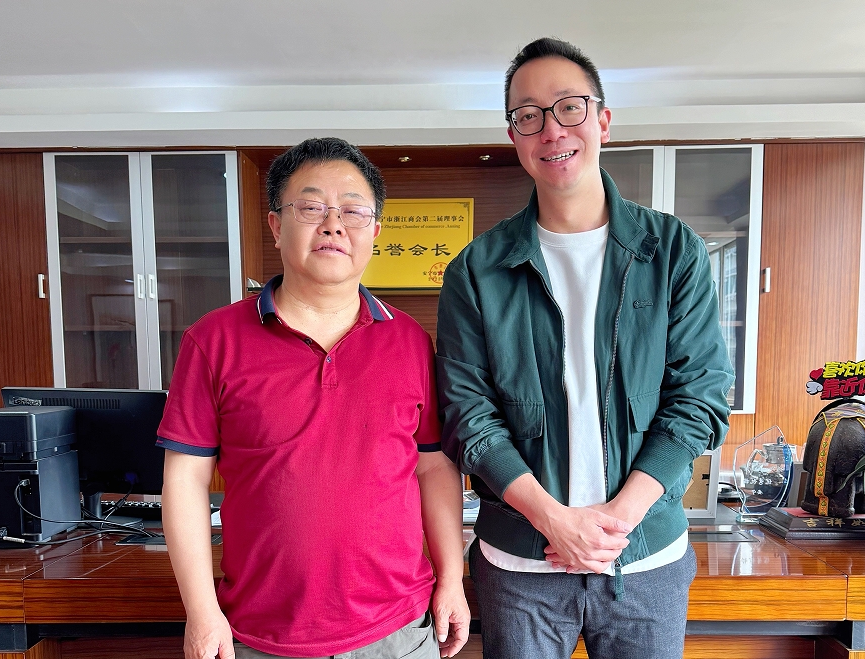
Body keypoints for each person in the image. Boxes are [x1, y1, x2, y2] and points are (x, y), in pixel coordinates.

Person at [436, 38, 734, 659]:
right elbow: (469, 416)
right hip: (520, 565)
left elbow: (698, 399)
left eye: (569, 107)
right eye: (529, 116)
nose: (552, 130)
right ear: (514, 136)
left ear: (602, 120)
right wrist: (553, 520)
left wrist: (615, 520)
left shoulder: (671, 250)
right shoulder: (476, 269)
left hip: (645, 559)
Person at [160, 137, 469, 659]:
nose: (333, 225)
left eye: (353, 210)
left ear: (374, 230)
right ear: (276, 225)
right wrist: (202, 611)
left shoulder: (410, 341)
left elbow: (433, 467)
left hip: (396, 631)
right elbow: (185, 479)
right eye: (310, 207)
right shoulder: (213, 341)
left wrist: (452, 579)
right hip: (259, 635)